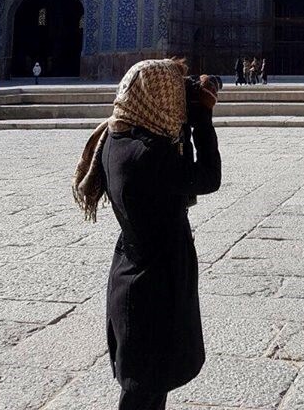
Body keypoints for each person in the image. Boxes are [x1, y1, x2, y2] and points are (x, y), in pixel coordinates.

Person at [72, 57, 221, 410]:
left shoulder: (116, 138)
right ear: (156, 97)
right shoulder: (147, 154)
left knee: (148, 383)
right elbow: (208, 178)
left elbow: (168, 160)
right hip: (152, 287)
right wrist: (202, 116)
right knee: (143, 390)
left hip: (135, 274)